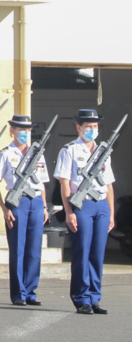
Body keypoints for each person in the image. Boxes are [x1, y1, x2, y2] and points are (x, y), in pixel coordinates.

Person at [55, 109, 115, 315]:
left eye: (95, 126)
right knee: (82, 252)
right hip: (82, 205)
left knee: (97, 253)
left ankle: (94, 297)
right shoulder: (69, 150)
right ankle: (82, 298)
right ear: (79, 127)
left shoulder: (103, 151)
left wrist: (111, 213)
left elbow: (109, 185)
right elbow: (64, 183)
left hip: (101, 204)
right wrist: (69, 212)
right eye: (88, 126)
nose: (92, 129)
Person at [0, 115, 49, 307]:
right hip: (17, 202)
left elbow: (42, 183)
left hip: (36, 202)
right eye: (21, 129)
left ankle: (31, 291)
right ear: (12, 131)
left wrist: (44, 206)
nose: (25, 133)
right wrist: (3, 208)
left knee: (34, 249)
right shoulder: (6, 154)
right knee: (18, 248)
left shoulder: (37, 153)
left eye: (27, 130)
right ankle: (19, 293)